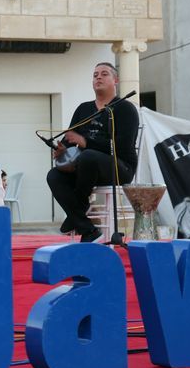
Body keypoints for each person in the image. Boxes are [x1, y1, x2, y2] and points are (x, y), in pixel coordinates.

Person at [46, 62, 139, 242]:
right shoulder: (83, 109)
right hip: (85, 168)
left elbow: (123, 147)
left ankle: (76, 212)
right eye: (95, 75)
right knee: (54, 175)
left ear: (116, 80)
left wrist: (86, 142)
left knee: (88, 156)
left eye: (104, 74)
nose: (98, 77)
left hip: (120, 167)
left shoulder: (125, 108)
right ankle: (88, 229)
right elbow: (69, 138)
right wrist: (62, 150)